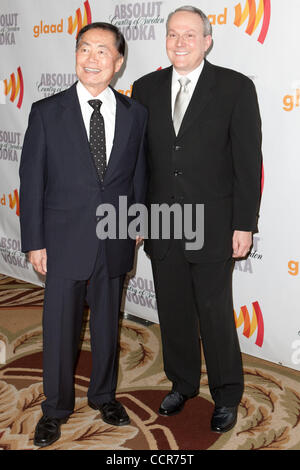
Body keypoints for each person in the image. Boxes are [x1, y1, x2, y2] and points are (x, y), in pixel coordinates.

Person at [132, 6, 262, 433]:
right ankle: (182, 382)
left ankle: (227, 393)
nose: (180, 42)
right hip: (162, 224)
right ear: (165, 40)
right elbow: (140, 162)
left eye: (190, 35)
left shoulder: (235, 87)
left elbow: (247, 163)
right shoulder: (146, 88)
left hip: (214, 225)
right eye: (173, 34)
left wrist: (244, 224)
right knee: (173, 312)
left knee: (215, 313)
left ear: (207, 40)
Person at [19, 22, 147, 447]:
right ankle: (55, 408)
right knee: (59, 329)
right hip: (61, 241)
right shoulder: (46, 111)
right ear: (76, 56)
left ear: (118, 61)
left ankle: (104, 396)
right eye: (84, 49)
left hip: (113, 239)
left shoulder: (135, 114)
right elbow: (32, 183)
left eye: (102, 52)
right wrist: (35, 242)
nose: (92, 59)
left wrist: (136, 224)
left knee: (108, 325)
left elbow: (137, 177)